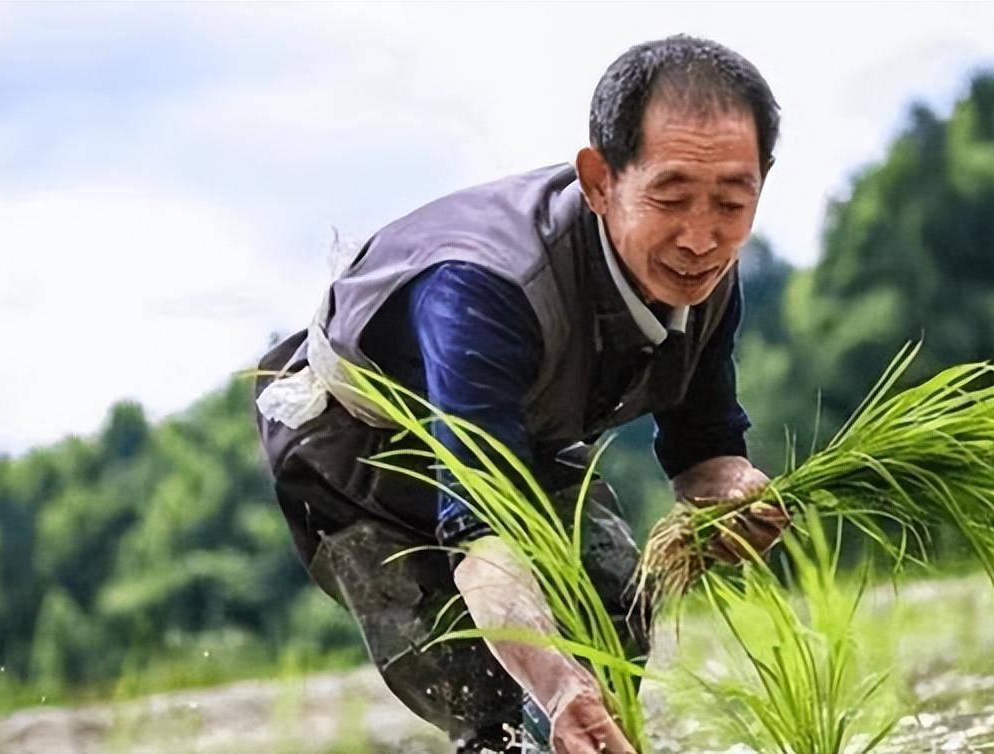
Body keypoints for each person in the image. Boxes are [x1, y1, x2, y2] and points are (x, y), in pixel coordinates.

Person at [251, 34, 790, 754]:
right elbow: (483, 538)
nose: (702, 238)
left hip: (515, 432)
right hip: (359, 451)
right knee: (498, 701)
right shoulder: (484, 291)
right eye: (670, 196)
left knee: (609, 622)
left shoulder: (709, 282)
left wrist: (736, 490)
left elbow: (703, 448)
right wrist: (558, 687)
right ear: (599, 181)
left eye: (732, 200)